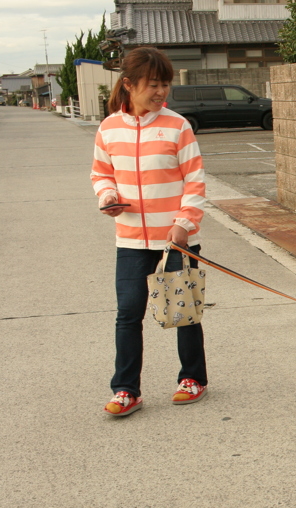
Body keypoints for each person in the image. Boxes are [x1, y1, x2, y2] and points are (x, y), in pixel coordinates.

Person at [91, 46, 208, 417]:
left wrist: (183, 223)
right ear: (129, 84)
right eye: (153, 84)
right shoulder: (109, 128)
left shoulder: (177, 126)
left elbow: (195, 180)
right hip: (130, 239)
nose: (161, 92)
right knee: (128, 314)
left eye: (164, 84)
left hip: (175, 239)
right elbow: (101, 173)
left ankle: (193, 379)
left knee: (183, 311)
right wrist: (108, 196)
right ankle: (126, 390)